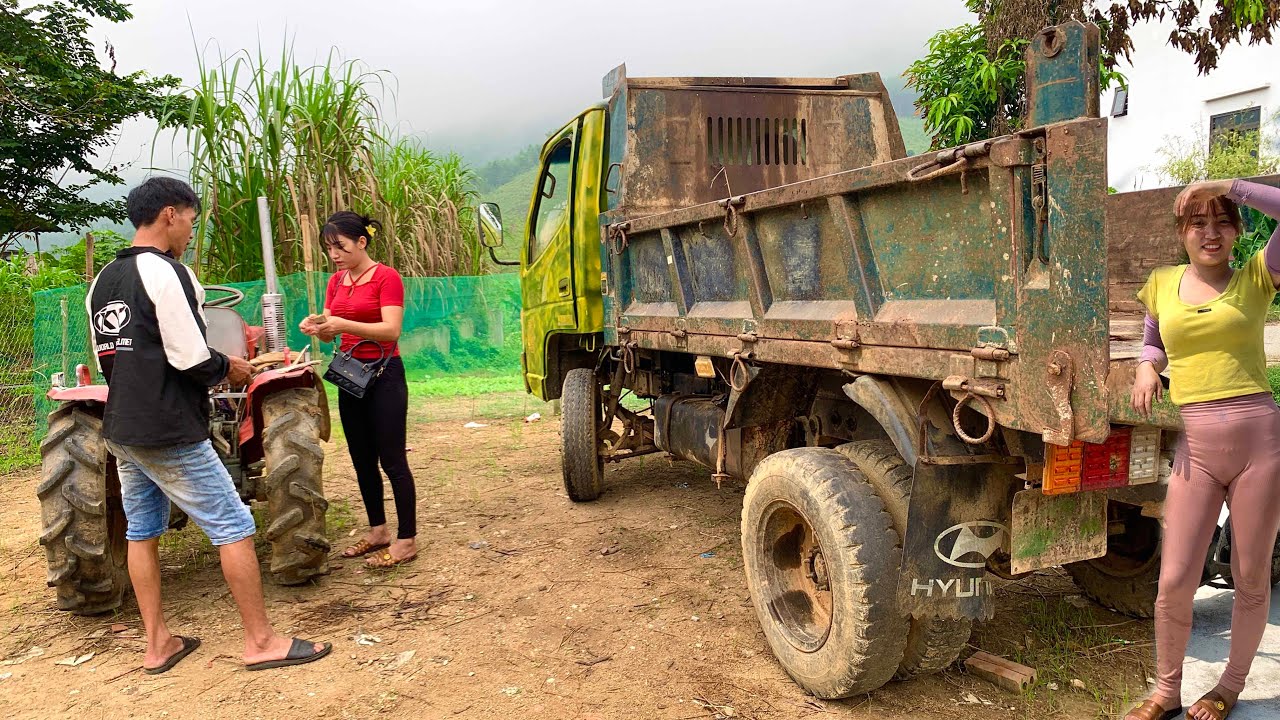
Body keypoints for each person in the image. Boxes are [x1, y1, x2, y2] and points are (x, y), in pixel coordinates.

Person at [88, 177, 331, 674]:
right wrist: (231, 367)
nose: (189, 234)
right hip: (167, 427)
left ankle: (159, 644)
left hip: (121, 427)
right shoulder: (168, 272)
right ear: (171, 214)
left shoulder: (104, 279)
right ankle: (261, 641)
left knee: (143, 531)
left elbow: (108, 357)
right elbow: (189, 355)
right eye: (190, 222)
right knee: (234, 526)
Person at [1127, 178, 1280, 720]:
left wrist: (1224, 186)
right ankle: (1166, 690)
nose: (1210, 233)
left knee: (1250, 576)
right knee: (1174, 578)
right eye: (1198, 223)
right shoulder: (1162, 283)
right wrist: (1147, 368)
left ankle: (1228, 687)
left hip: (1259, 444)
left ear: (1238, 230)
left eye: (1221, 221)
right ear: (1182, 233)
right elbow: (1153, 341)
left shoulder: (1258, 277)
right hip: (1196, 444)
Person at [300, 211, 417, 568]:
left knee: (392, 459)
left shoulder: (386, 277)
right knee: (361, 457)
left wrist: (342, 322)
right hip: (351, 375)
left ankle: (407, 539)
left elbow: (391, 330)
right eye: (329, 248)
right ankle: (378, 530)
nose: (334, 254)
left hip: (384, 375)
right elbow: (329, 326)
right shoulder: (336, 282)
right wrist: (317, 327)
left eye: (341, 246)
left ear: (362, 242)